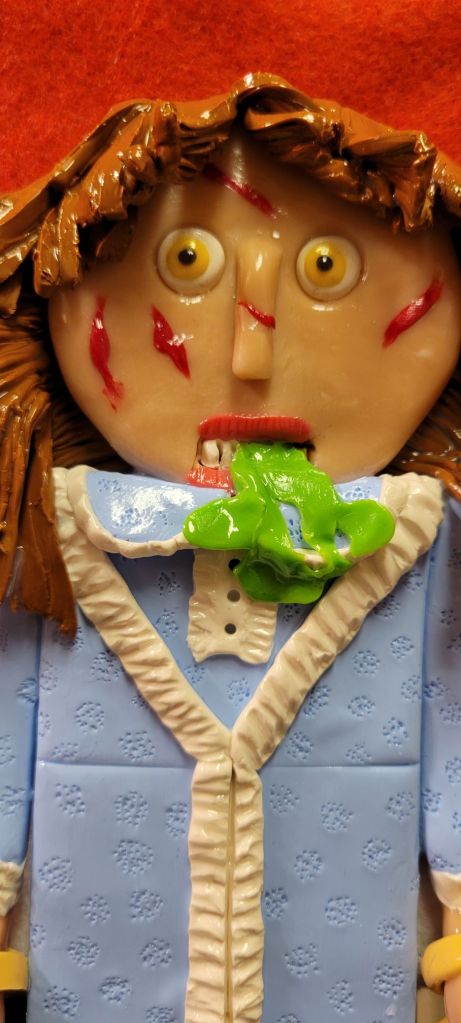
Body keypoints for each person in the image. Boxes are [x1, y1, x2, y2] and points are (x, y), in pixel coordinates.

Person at [0, 72, 460, 1023]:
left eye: (326, 268)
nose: (250, 353)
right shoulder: (43, 540)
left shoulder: (422, 545)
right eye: (187, 261)